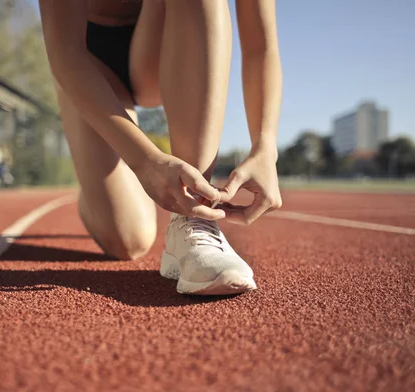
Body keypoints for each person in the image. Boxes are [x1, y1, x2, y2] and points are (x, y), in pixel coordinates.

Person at [39, 0, 282, 295]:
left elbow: (261, 45)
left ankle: (192, 217)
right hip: (88, 59)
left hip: (159, 43)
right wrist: (144, 161)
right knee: (129, 239)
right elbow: (66, 52)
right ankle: (93, 187)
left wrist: (266, 146)